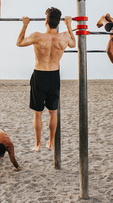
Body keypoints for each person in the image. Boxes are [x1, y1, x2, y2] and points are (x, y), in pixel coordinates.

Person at [16, 8, 76, 152]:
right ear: (58, 22)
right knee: (53, 112)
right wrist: (69, 25)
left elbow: (19, 42)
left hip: (40, 75)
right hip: (54, 76)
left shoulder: (37, 36)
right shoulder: (65, 37)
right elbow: (74, 44)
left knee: (38, 113)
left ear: (46, 22)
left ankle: (38, 144)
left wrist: (25, 24)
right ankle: (50, 142)